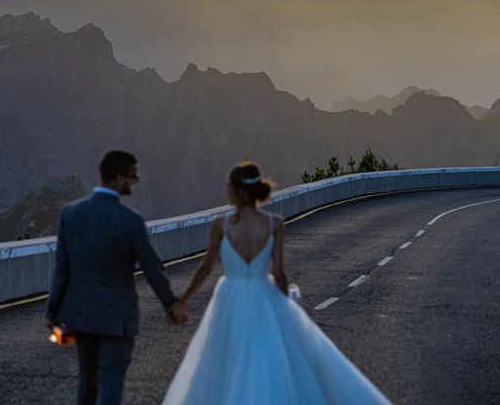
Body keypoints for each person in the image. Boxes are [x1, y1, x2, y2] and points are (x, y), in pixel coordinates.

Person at [164, 161, 392, 404]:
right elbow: (279, 273)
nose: (226, 190)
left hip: (230, 298)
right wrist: (285, 307)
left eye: (228, 186)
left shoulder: (222, 225)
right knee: (265, 358)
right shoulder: (274, 223)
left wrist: (182, 302)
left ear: (238, 190)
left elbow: (205, 267)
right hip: (264, 294)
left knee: (227, 362)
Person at [46, 150, 187, 405]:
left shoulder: (70, 214)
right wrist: (171, 304)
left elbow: (62, 270)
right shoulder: (130, 221)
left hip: (81, 316)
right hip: (117, 318)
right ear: (120, 178)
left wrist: (52, 312)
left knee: (87, 384)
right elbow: (153, 269)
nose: (135, 182)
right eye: (133, 177)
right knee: (111, 382)